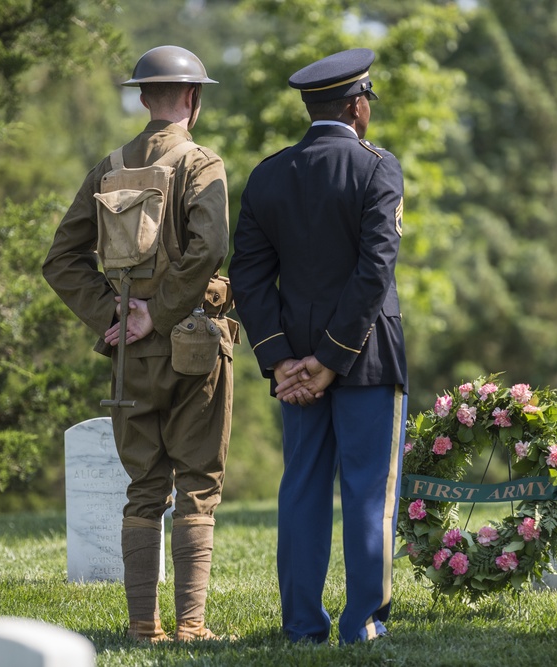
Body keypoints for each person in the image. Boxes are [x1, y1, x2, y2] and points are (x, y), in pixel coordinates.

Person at [42, 45, 235, 644]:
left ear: (144, 97)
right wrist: (159, 313)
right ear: (193, 99)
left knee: (144, 489)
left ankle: (141, 625)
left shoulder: (108, 166)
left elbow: (61, 260)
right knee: (196, 484)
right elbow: (208, 251)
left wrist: (116, 316)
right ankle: (191, 625)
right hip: (195, 348)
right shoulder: (203, 164)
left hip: (132, 359)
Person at [229, 48, 408, 645]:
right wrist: (331, 360)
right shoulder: (378, 168)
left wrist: (285, 360)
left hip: (295, 368)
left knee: (302, 487)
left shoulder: (268, 174)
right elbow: (374, 270)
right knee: (366, 492)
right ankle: (364, 625)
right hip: (366, 358)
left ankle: (302, 626)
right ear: (358, 107)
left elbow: (249, 279)